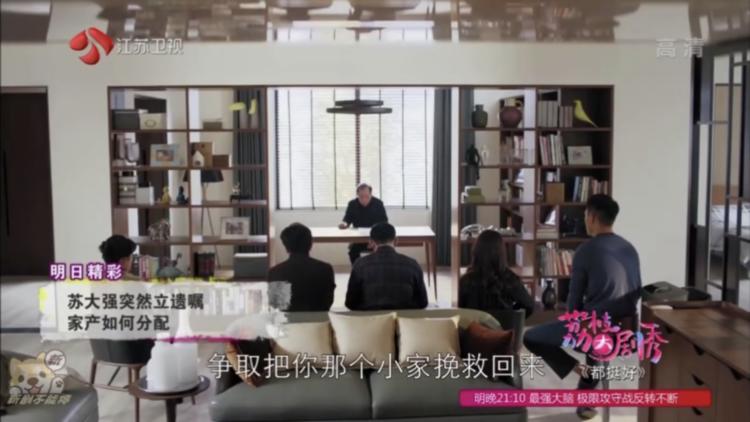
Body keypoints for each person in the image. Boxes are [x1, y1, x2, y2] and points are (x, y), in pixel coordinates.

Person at [523, 194, 642, 420]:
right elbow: (635, 291)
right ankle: (585, 399)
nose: (585, 219)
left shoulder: (586, 251)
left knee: (532, 337)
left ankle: (580, 371)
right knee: (595, 331)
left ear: (593, 217)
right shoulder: (630, 249)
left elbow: (573, 305)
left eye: (586, 215)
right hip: (626, 331)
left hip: (595, 331)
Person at [345, 222, 427, 310]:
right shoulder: (412, 264)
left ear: (371, 242)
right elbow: (422, 302)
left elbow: (350, 303)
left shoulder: (359, 264)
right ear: (396, 240)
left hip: (371, 317)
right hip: (402, 318)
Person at [458, 230, 534, 316]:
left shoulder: (465, 281)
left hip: (474, 324)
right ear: (502, 253)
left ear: (476, 252)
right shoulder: (510, 279)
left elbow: (459, 310)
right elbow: (529, 305)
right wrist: (512, 314)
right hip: (503, 324)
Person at [268, 223, 335, 311]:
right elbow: (327, 303)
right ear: (310, 244)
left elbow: (277, 305)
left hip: (287, 320)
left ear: (286, 247)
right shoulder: (325, 269)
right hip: (319, 319)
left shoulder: (275, 272)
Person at [339, 183, 388, 264]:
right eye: (361, 197)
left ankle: (376, 270)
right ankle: (357, 270)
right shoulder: (352, 204)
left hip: (375, 238)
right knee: (353, 252)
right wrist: (344, 224)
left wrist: (375, 239)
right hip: (358, 238)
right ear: (357, 195)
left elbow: (384, 222)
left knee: (381, 252)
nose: (364, 199)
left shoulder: (378, 203)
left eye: (367, 196)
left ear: (371, 194)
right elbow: (347, 220)